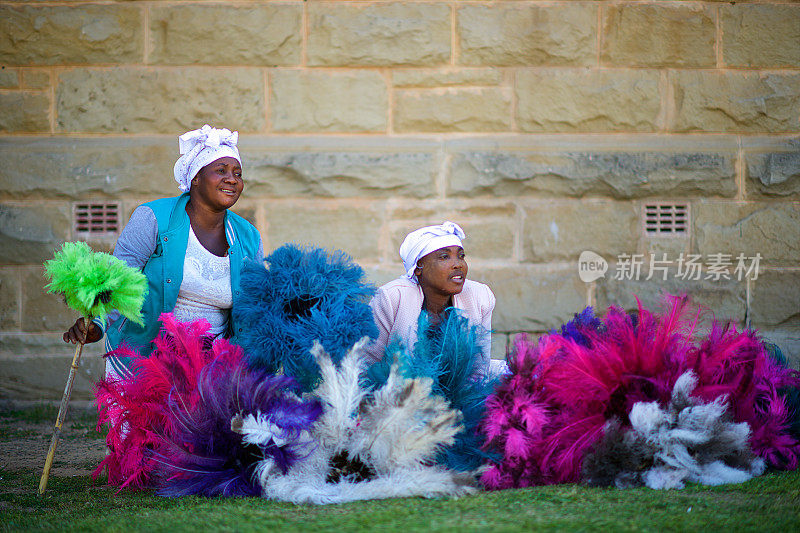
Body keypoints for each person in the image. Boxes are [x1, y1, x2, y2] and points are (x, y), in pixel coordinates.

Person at [62, 125, 264, 377]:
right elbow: (118, 279)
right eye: (221, 170)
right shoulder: (154, 218)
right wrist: (98, 324)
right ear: (195, 178)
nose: (232, 179)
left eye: (238, 173)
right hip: (146, 361)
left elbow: (258, 305)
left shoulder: (248, 236)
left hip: (212, 369)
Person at [364, 221, 499, 375]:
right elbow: (368, 363)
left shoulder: (480, 296)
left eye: (461, 256)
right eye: (444, 257)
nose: (458, 264)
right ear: (418, 268)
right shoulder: (391, 297)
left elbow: (480, 367)